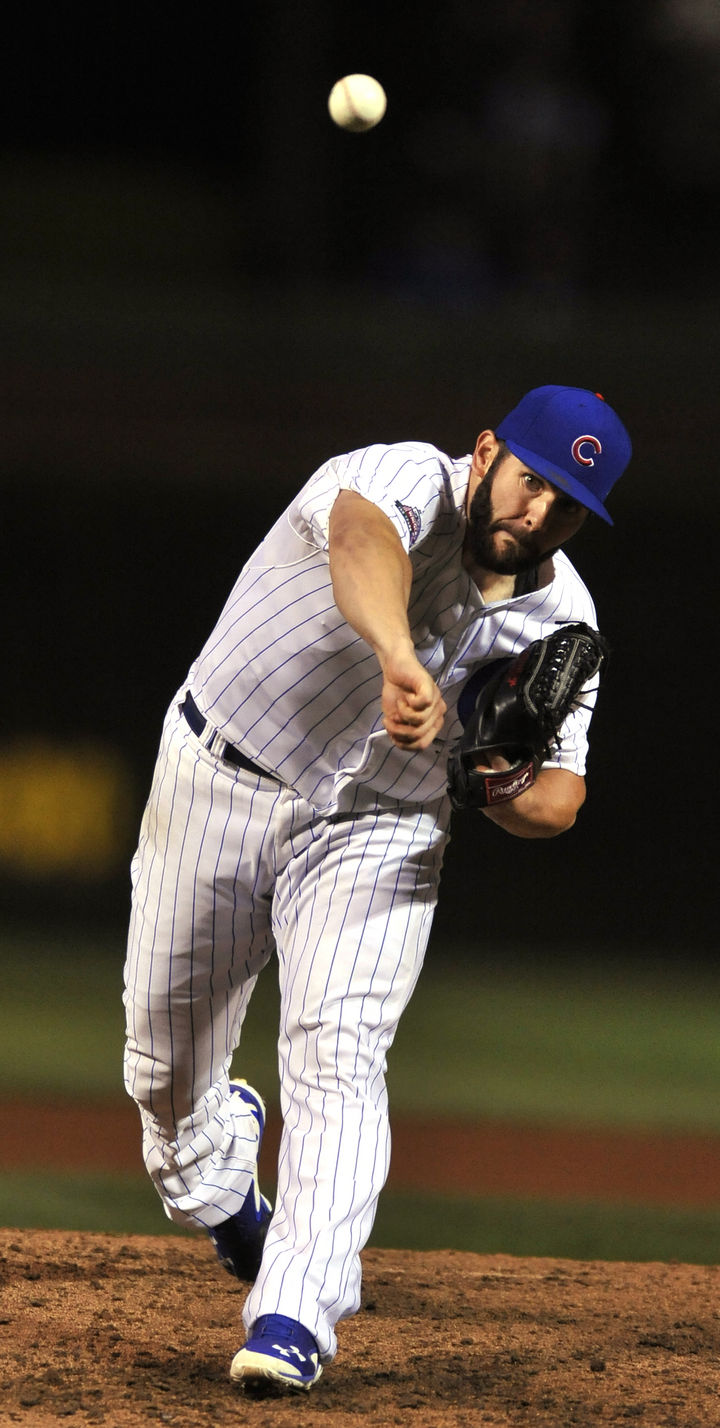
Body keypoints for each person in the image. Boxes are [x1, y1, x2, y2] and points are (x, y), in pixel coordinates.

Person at [123, 384, 632, 1393]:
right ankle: (219, 1180)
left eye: (568, 505)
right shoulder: (399, 477)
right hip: (222, 775)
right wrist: (399, 655)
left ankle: (296, 1311)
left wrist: (496, 780)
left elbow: (561, 799)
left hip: (381, 829)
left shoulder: (563, 618)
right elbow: (361, 541)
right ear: (485, 453)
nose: (538, 512)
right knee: (163, 1073)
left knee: (339, 1052)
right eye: (531, 480)